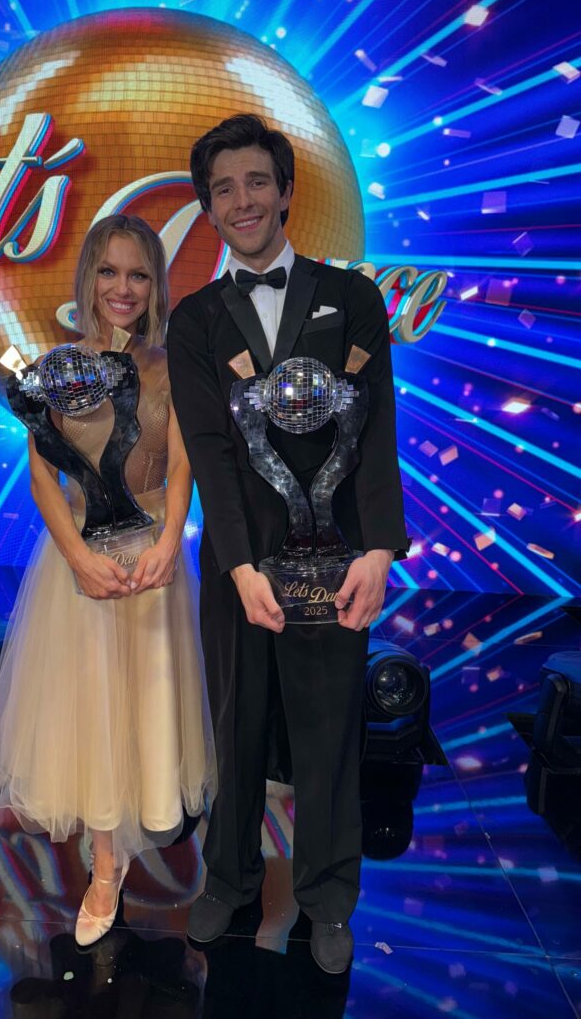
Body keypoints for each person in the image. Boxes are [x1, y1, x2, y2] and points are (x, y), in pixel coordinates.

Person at [167, 115, 410, 974]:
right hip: (238, 562)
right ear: (208, 207)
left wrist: (379, 550)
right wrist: (238, 566)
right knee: (236, 726)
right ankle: (229, 879)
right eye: (223, 189)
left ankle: (329, 896)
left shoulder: (354, 298)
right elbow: (209, 452)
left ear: (286, 191)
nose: (242, 201)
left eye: (257, 182)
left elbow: (375, 431)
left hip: (337, 557)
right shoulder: (194, 320)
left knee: (329, 730)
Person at [0, 214, 214, 947]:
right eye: (109, 271)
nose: (123, 288)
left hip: (152, 554)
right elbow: (40, 475)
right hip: (78, 558)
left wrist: (170, 542)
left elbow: (182, 464)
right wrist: (77, 556)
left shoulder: (172, 365)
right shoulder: (55, 367)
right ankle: (105, 865)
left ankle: (131, 835)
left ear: (156, 285)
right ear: (88, 279)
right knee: (93, 707)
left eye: (138, 274)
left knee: (144, 703)